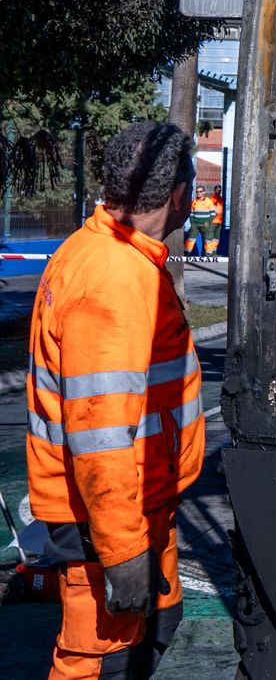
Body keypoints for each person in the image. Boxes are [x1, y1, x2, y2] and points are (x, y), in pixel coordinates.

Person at [25, 121, 204, 679]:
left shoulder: (109, 254)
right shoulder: (114, 278)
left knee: (150, 634)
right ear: (177, 193)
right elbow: (99, 433)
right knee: (100, 659)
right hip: (107, 515)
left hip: (139, 505)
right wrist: (124, 552)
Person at [183, 187, 216, 258]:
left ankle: (208, 255)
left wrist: (208, 222)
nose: (198, 193)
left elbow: (213, 213)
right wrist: (192, 222)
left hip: (205, 224)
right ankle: (186, 254)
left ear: (204, 192)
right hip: (195, 224)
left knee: (208, 239)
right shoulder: (194, 202)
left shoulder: (209, 201)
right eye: (197, 191)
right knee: (190, 238)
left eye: (200, 191)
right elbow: (191, 213)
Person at [208, 187, 224, 257]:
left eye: (220, 190)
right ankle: (209, 253)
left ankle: (214, 253)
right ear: (214, 190)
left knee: (216, 239)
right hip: (212, 221)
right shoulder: (212, 199)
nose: (219, 191)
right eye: (217, 190)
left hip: (218, 222)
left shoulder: (220, 199)